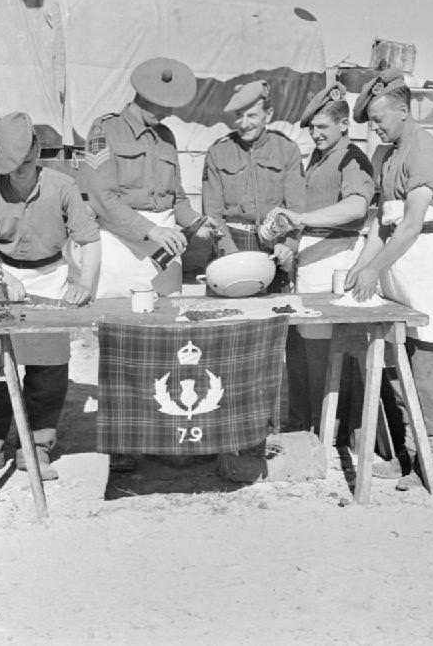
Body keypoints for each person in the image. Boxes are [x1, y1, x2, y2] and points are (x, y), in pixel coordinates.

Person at [0, 102, 102, 481]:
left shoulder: (63, 186)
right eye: (7, 167)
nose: (15, 175)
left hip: (50, 277)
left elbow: (90, 241)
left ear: (37, 153)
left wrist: (84, 282)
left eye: (22, 165)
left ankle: (35, 447)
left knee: (48, 371)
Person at [345, 69, 433, 489]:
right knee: (398, 363)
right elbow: (384, 222)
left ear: (402, 110)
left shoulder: (426, 151)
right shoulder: (388, 155)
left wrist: (374, 268)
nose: (375, 127)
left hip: (431, 267)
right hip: (401, 267)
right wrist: (360, 266)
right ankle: (406, 454)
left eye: (379, 120)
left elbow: (413, 224)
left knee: (429, 365)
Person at [268, 83, 375, 434]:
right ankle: (306, 421)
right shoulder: (318, 158)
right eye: (312, 128)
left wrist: (303, 221)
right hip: (310, 257)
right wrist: (292, 243)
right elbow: (308, 207)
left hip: (335, 256)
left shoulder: (352, 158)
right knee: (301, 346)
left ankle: (335, 429)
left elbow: (357, 206)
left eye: (323, 128)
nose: (315, 135)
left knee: (326, 350)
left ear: (344, 125)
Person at [81, 57, 219, 299]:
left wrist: (197, 222)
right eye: (164, 105)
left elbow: (177, 198)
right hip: (120, 247)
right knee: (120, 322)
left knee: (167, 321)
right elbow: (102, 198)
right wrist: (151, 230)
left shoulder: (166, 137)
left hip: (166, 249)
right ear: (144, 97)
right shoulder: (104, 130)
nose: (169, 112)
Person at [201, 79, 304, 290]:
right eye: (238, 116)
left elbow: (297, 209)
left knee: (275, 314)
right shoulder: (218, 152)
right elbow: (212, 213)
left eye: (251, 115)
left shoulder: (287, 149)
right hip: (230, 242)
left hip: (273, 245)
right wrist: (230, 254)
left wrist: (288, 246)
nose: (243, 123)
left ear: (269, 114)